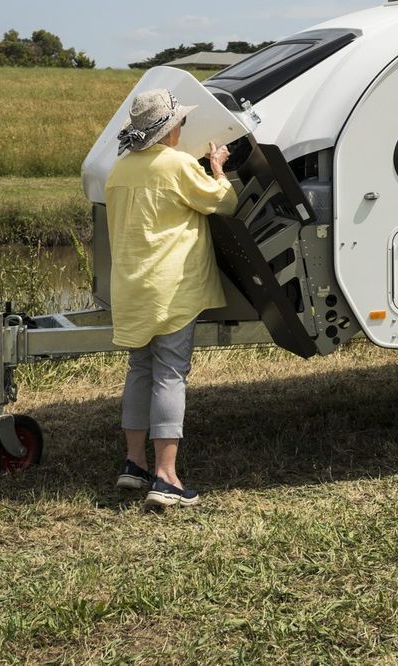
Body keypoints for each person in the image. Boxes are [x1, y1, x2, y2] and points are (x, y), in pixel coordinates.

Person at [105, 89, 237, 508]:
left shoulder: (119, 170)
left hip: (130, 286)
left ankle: (133, 464)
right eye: (179, 123)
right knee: (170, 374)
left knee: (140, 370)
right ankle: (166, 478)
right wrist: (217, 168)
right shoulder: (177, 165)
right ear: (168, 130)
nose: (182, 128)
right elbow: (224, 203)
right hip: (170, 289)